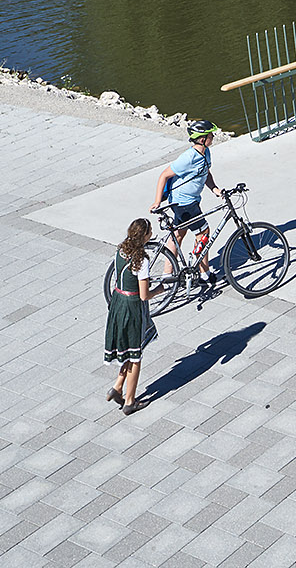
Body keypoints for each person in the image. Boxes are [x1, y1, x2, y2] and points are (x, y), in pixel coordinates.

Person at [151, 120, 223, 294]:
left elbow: (205, 173)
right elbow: (164, 175)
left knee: (178, 234)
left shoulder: (206, 153)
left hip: (190, 201)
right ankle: (204, 272)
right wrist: (157, 201)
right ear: (202, 139)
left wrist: (214, 188)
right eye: (210, 135)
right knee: (204, 234)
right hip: (185, 203)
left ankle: (167, 277)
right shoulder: (188, 157)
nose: (213, 136)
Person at [104, 217, 157, 415]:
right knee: (136, 355)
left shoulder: (121, 250)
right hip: (132, 307)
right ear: (144, 236)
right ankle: (130, 401)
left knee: (126, 349)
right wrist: (160, 289)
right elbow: (144, 294)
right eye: (150, 231)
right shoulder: (141, 260)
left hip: (118, 302)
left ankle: (117, 387)